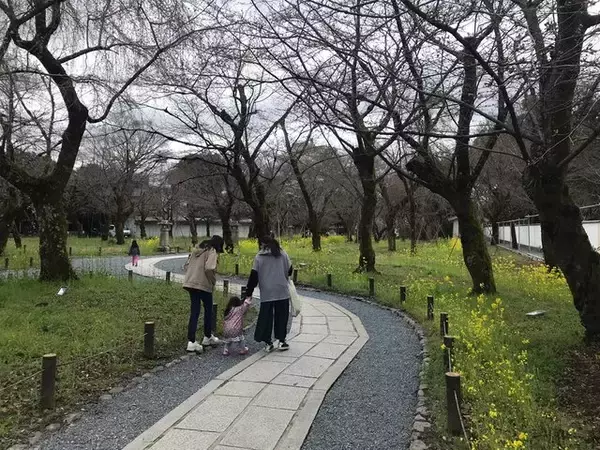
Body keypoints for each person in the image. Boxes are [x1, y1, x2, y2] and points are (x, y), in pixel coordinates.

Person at [246, 236, 293, 352]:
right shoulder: (283, 253)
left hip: (267, 291)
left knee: (266, 317)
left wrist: (249, 292)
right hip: (282, 290)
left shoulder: (259, 257)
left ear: (263, 244)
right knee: (282, 316)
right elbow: (290, 270)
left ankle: (268, 342)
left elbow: (254, 276)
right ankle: (281, 341)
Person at [183, 235, 224, 353]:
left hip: (191, 283)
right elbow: (209, 268)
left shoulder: (196, 249)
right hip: (203, 284)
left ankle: (191, 341)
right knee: (208, 310)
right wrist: (213, 281)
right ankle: (207, 336)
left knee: (195, 312)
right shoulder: (212, 250)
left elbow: (186, 266)